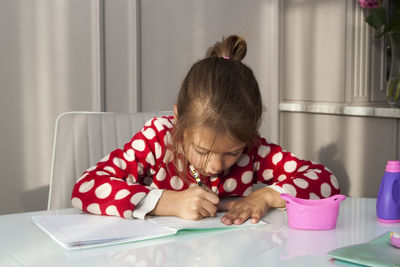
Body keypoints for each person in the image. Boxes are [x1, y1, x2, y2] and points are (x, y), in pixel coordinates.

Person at [71, 35, 340, 225]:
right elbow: (85, 187)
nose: (214, 165)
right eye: (201, 150)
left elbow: (325, 180)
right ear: (178, 121)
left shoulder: (254, 150)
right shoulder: (158, 139)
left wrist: (267, 196)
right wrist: (167, 202)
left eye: (232, 153)